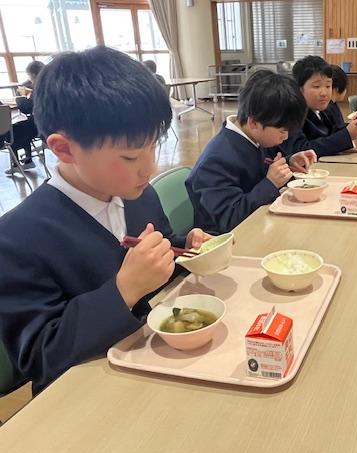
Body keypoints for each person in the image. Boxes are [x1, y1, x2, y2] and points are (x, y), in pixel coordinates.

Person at [0, 46, 213, 394]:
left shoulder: (139, 194)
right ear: (64, 149)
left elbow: (161, 254)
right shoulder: (15, 238)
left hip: (154, 361)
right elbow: (40, 356)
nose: (150, 168)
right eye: (130, 157)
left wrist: (183, 248)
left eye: (153, 146)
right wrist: (124, 289)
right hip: (87, 393)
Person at [186, 70, 315, 234]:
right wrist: (270, 183)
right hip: (227, 239)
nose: (286, 136)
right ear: (253, 122)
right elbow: (229, 219)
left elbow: (262, 165)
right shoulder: (216, 160)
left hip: (260, 224)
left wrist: (289, 162)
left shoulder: (255, 137)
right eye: (282, 130)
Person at [290, 56, 357, 154]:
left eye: (328, 86)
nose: (324, 93)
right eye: (317, 86)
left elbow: (334, 132)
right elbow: (301, 149)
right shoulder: (292, 114)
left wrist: (353, 126)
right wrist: (347, 135)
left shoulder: (324, 110)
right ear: (299, 89)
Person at [4, 60, 46, 174]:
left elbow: (27, 108)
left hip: (40, 125)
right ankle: (28, 160)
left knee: (14, 131)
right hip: (45, 123)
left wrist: (20, 97)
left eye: (29, 75)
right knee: (23, 126)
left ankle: (16, 163)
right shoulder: (48, 84)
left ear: (34, 75)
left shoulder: (39, 87)